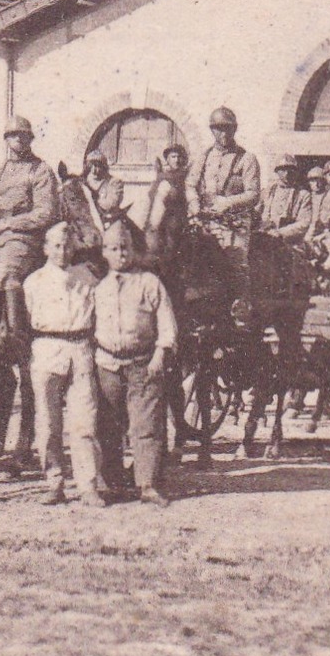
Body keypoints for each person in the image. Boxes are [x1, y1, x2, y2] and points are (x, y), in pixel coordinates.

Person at [93, 220, 177, 507]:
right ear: (104, 252)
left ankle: (147, 484)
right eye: (114, 249)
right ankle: (114, 484)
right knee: (109, 426)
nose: (121, 254)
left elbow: (166, 323)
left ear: (134, 250)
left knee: (145, 425)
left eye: (126, 248)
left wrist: (160, 354)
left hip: (143, 363)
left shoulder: (149, 283)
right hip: (107, 365)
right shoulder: (99, 287)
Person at [23, 223, 103, 508]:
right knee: (47, 422)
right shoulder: (33, 282)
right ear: (45, 248)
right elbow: (29, 317)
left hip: (80, 349)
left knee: (84, 422)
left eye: (67, 245)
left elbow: (95, 317)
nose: (62, 251)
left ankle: (88, 485)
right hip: (46, 349)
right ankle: (54, 481)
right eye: (56, 245)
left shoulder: (88, 279)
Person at [0, 116, 59, 351]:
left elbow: (45, 213)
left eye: (23, 135)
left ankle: (15, 336)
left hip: (24, 237)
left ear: (30, 139)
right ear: (6, 139)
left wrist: (5, 225)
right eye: (13, 135)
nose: (18, 140)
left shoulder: (41, 170)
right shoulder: (2, 169)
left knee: (7, 271)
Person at [186, 107, 261, 288]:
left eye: (228, 128)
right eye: (218, 128)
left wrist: (228, 203)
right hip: (206, 220)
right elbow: (190, 184)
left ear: (234, 129)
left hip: (235, 222)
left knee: (237, 264)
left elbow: (254, 194)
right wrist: (194, 203)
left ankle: (240, 308)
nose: (223, 133)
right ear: (212, 130)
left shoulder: (247, 158)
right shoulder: (204, 157)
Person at [259, 154, 313, 242]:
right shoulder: (268, 192)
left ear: (296, 172)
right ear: (277, 171)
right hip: (267, 237)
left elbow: (304, 222)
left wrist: (280, 232)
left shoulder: (303, 195)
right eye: (283, 170)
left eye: (290, 170)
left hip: (290, 241)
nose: (287, 173)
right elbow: (257, 213)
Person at [82, 150, 125, 218]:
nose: (93, 170)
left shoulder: (114, 182)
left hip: (108, 219)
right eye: (91, 166)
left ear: (103, 167)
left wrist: (92, 202)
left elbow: (112, 204)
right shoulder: (84, 182)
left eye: (97, 166)